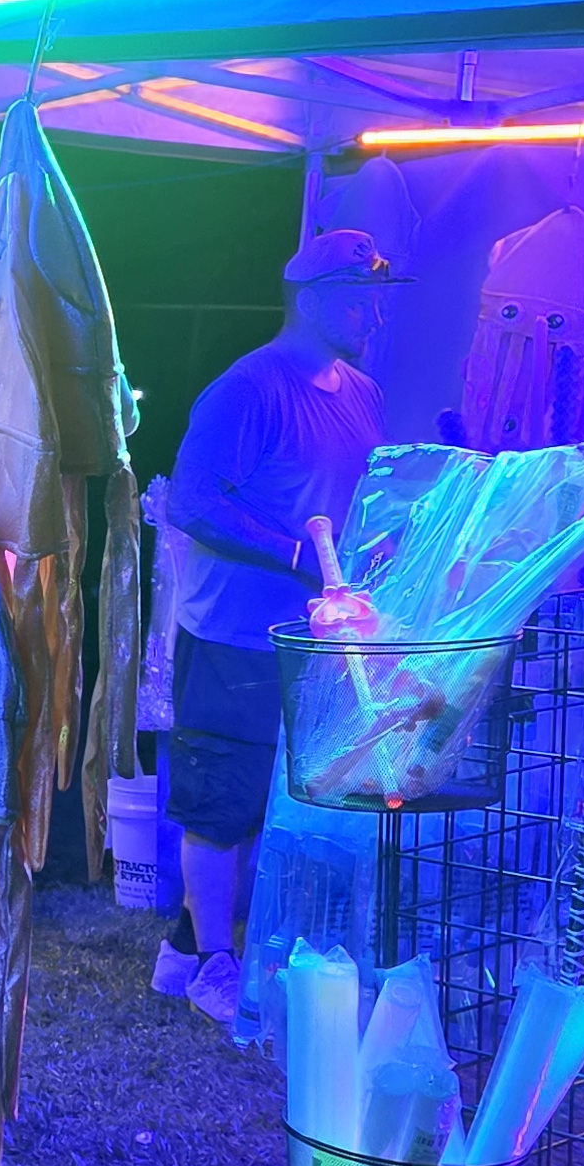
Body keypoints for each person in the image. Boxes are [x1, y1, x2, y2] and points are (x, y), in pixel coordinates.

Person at [154, 233, 393, 1024]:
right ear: (311, 298)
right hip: (232, 635)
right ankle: (216, 968)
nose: (375, 315)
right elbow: (191, 502)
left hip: (314, 639)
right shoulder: (247, 390)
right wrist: (297, 553)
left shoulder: (362, 392)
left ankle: (188, 946)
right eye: (359, 298)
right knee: (220, 803)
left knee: (268, 799)